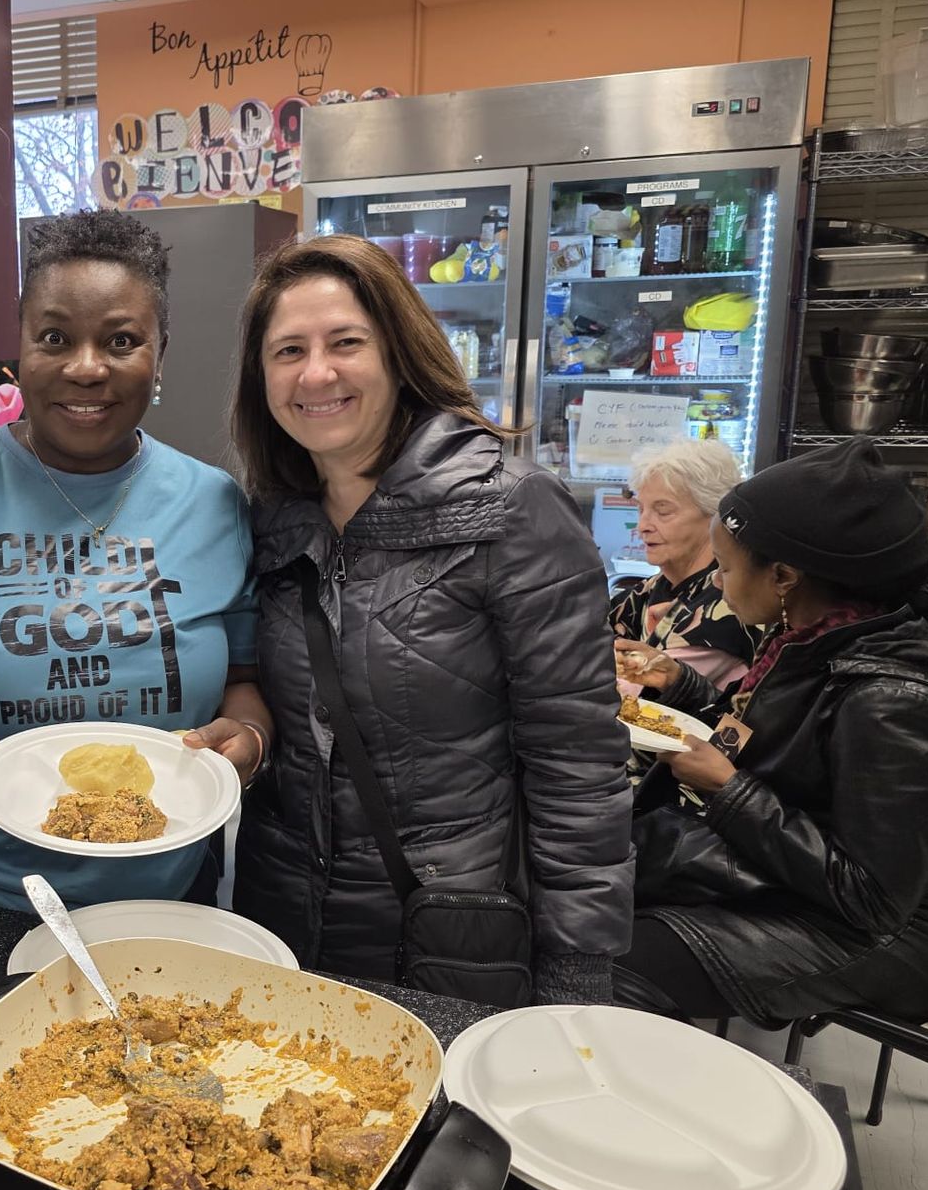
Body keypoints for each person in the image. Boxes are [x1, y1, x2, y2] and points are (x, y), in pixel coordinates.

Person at [228, 233, 633, 1004]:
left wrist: (579, 965)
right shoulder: (275, 519)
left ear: (400, 351)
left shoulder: (510, 509)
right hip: (280, 917)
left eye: (346, 342)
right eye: (288, 352)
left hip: (444, 927)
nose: (317, 373)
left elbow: (576, 758)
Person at [0, 211, 270, 911]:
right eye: (55, 338)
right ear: (22, 346)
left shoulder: (214, 504)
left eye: (121, 340)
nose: (86, 367)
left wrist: (248, 737)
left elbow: (244, 680)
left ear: (160, 353)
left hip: (165, 891)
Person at [614, 439, 928, 1024]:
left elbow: (871, 896)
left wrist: (730, 790)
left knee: (608, 955)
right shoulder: (816, 638)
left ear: (783, 575)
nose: (718, 585)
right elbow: (772, 736)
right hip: (812, 887)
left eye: (724, 567)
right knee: (597, 890)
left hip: (899, 938)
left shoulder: (892, 701)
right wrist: (680, 684)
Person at [609, 440, 757, 689]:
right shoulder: (655, 588)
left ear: (714, 515)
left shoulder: (727, 607)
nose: (643, 526)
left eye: (663, 511)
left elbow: (632, 690)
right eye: (641, 509)